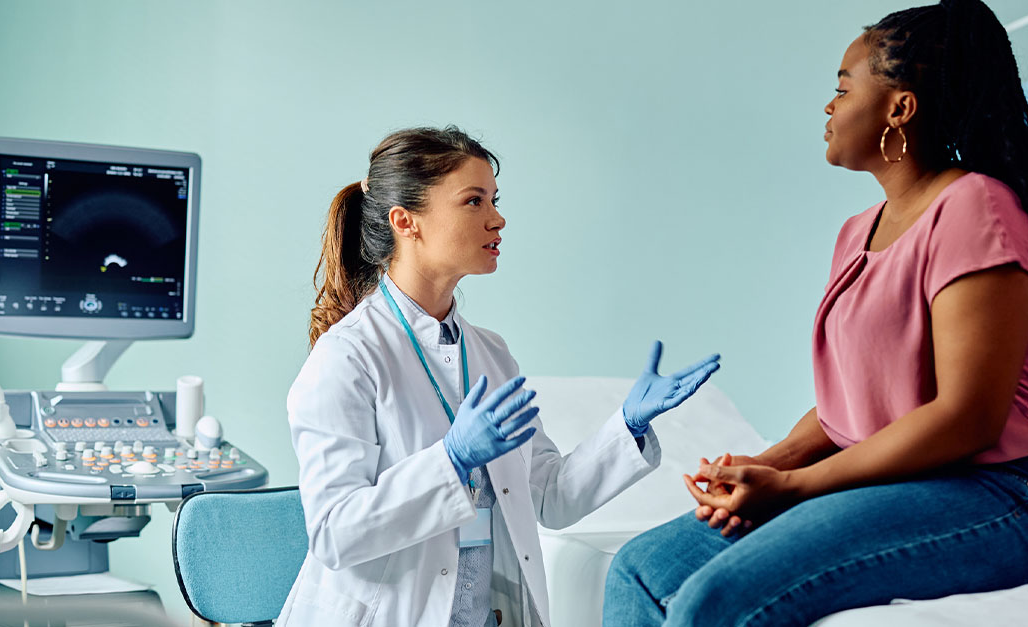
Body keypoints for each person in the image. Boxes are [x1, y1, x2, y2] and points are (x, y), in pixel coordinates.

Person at [603, 1, 1028, 625]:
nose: (829, 107)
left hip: (1007, 492)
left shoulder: (975, 208)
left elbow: (968, 419)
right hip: (902, 483)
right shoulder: (856, 233)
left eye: (843, 89)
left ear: (899, 109)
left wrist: (794, 488)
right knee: (638, 570)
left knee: (716, 600)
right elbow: (852, 403)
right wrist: (769, 463)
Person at [276, 126, 720, 627]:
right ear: (407, 222)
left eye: (493, 199)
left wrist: (628, 426)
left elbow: (549, 496)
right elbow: (336, 533)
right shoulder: (348, 357)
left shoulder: (490, 352)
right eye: (474, 201)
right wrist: (451, 459)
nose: (497, 218)